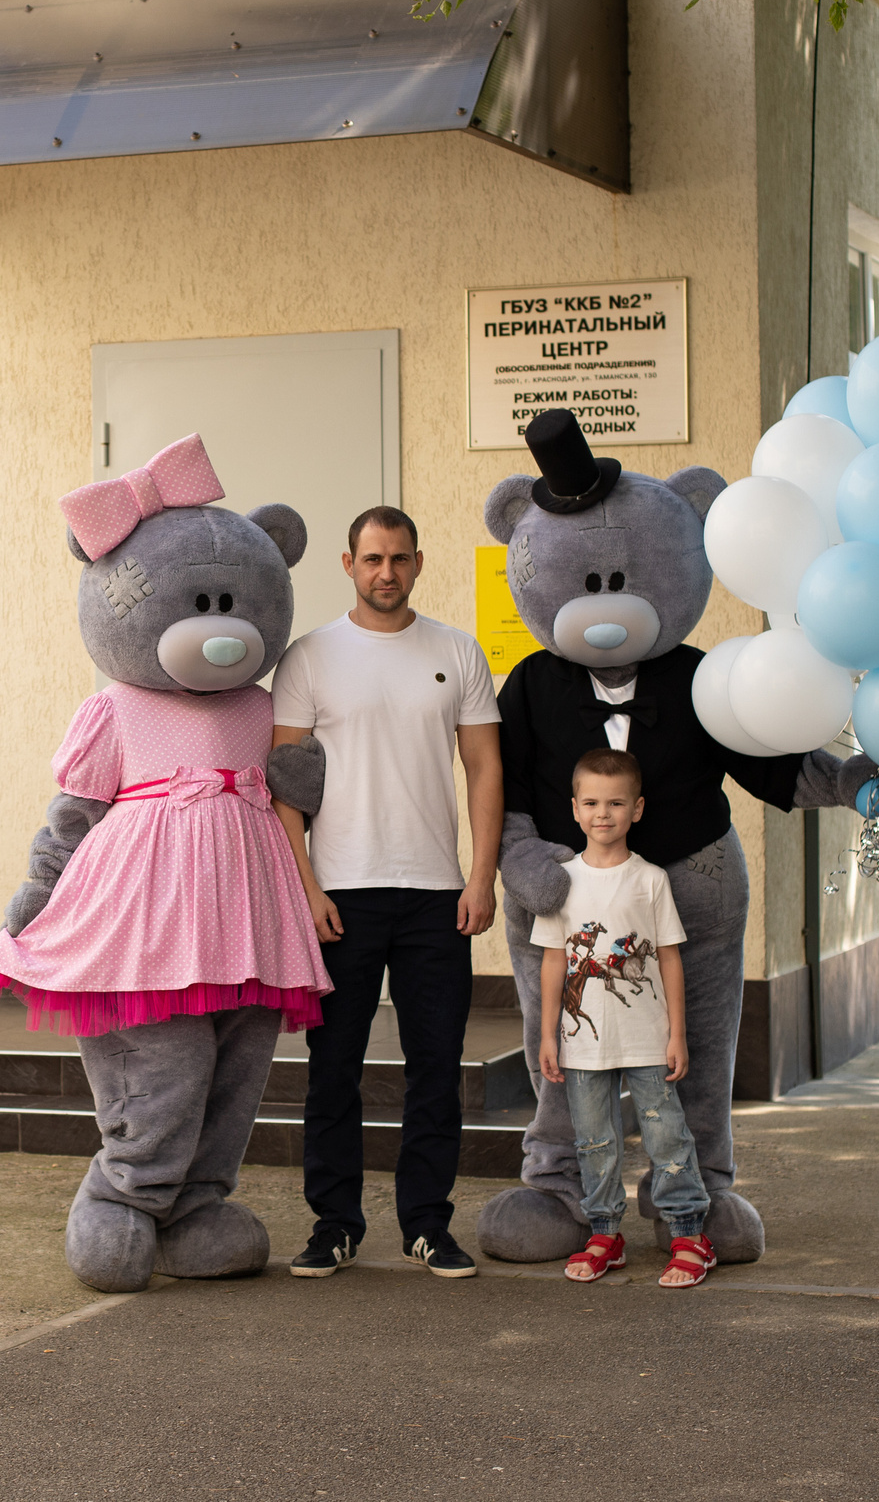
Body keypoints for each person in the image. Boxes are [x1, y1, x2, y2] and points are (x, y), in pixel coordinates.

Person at [270, 505, 501, 1280]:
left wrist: (481, 874)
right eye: (373, 559)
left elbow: (484, 770)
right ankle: (334, 1223)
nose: (387, 572)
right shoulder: (310, 658)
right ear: (348, 564)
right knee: (334, 1063)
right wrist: (305, 888)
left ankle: (427, 1223)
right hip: (342, 895)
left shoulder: (456, 651)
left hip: (437, 893)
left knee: (435, 1063)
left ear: (418, 562)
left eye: (400, 558)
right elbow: (284, 785)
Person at [532, 747, 712, 1289]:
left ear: (636, 809)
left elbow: (671, 957)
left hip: (647, 1040)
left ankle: (689, 1234)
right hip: (582, 1044)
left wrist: (677, 1033)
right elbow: (554, 960)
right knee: (594, 1141)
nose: (602, 813)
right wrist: (546, 1034)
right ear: (574, 808)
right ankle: (605, 1233)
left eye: (614, 803)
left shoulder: (650, 879)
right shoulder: (560, 882)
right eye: (591, 802)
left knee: (666, 1136)